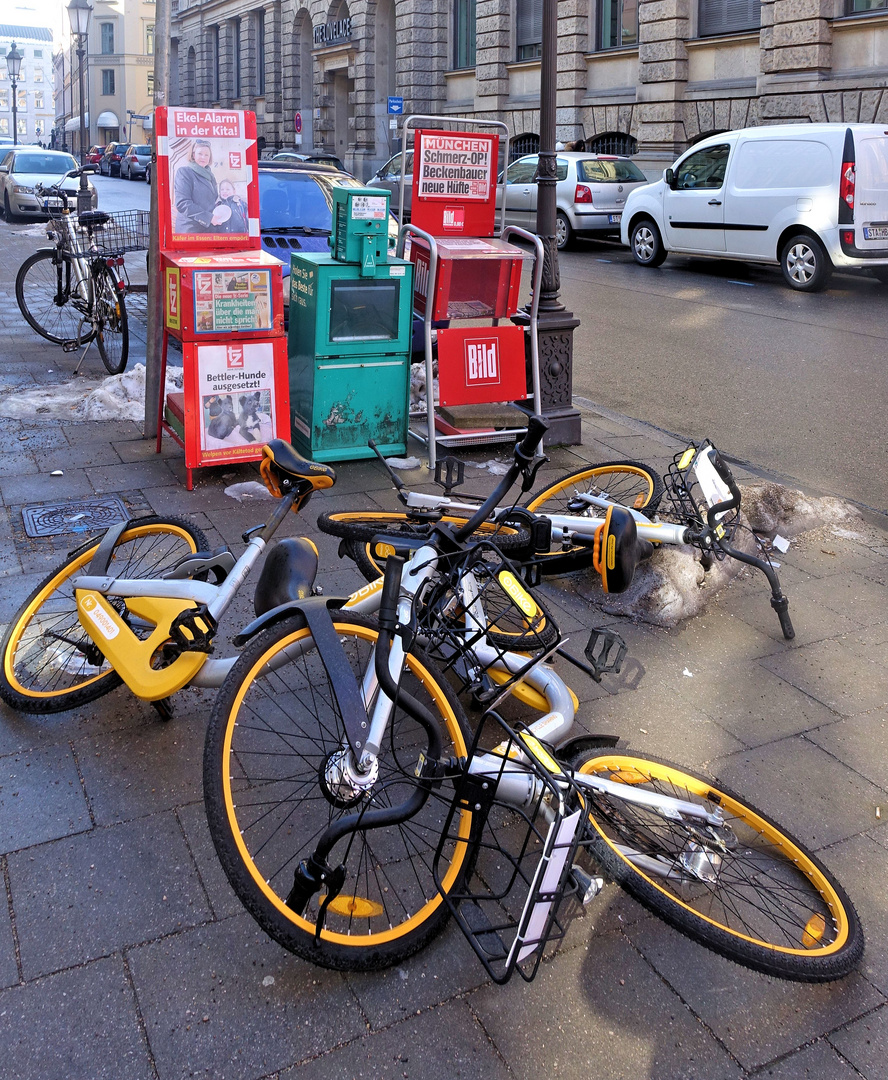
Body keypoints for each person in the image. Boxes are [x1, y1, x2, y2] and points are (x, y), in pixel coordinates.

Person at [174, 139, 229, 233]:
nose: (203, 157)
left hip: (208, 229)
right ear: (193, 154)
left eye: (206, 155)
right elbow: (182, 203)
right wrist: (209, 218)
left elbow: (211, 200)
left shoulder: (210, 175)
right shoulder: (184, 172)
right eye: (200, 154)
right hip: (190, 230)